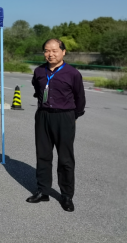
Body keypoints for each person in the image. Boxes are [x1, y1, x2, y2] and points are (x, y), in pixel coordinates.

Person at [27, 38, 86, 212]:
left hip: (64, 117)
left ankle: (66, 195)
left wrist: (73, 116)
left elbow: (80, 98)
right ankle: (43, 191)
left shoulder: (73, 73)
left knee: (65, 158)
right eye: (47, 51)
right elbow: (37, 90)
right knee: (43, 155)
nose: (50, 54)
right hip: (43, 116)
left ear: (63, 52)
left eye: (54, 50)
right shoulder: (39, 71)